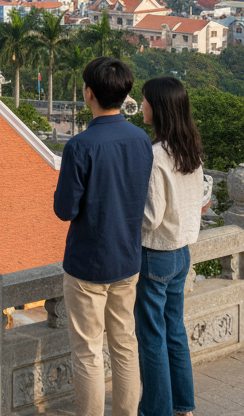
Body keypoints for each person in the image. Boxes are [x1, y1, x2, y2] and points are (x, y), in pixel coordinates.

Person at [53, 58, 153, 416]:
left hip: (88, 263)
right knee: (125, 345)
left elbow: (65, 210)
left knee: (88, 351)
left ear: (88, 94)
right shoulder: (141, 139)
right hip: (127, 259)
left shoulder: (80, 146)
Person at [137, 77, 211, 416]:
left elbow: (151, 217)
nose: (142, 107)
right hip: (182, 252)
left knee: (152, 336)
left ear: (160, 108)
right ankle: (184, 406)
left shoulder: (155, 155)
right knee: (174, 331)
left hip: (156, 253)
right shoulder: (189, 148)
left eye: (146, 101)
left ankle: (157, 410)